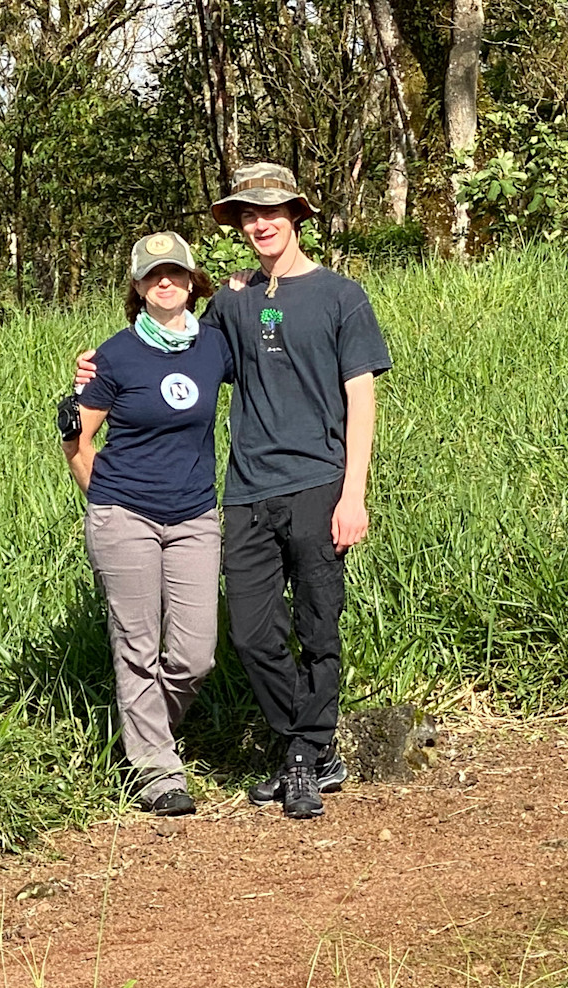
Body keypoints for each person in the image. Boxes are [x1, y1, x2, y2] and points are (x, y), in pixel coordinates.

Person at [77, 163, 391, 820]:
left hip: (319, 482)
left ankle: (307, 754)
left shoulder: (341, 296)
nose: (260, 222)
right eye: (248, 213)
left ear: (297, 216)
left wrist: (353, 493)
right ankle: (299, 746)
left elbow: (361, 398)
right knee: (250, 636)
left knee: (316, 626)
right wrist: (94, 372)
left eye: (272, 210)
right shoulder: (231, 305)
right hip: (246, 492)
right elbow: (173, 358)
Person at [63, 231, 234, 817]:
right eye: (153, 275)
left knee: (195, 655)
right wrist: (107, 501)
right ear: (138, 287)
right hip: (124, 516)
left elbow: (263, 337)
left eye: (177, 273)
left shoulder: (215, 346)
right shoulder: (112, 356)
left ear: (192, 281)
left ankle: (142, 737)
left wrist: (248, 286)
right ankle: (157, 771)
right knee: (137, 647)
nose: (166, 282)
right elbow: (76, 439)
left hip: (194, 516)